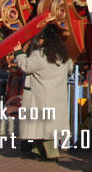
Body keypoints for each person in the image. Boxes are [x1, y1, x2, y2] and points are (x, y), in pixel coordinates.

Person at [14, 24, 74, 161]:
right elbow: (70, 68)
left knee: (42, 125)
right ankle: (38, 150)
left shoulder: (39, 55)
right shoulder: (63, 56)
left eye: (40, 38)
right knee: (48, 125)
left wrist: (19, 53)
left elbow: (26, 66)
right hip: (57, 96)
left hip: (41, 95)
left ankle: (51, 154)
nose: (39, 41)